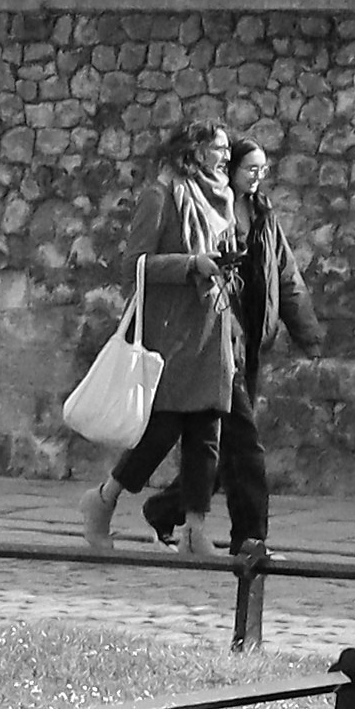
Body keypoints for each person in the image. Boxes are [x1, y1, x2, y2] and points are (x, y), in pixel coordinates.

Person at [87, 120, 243, 547]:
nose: (226, 156)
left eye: (227, 149)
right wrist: (192, 264)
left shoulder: (223, 200)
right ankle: (103, 499)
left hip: (211, 329)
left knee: (206, 432)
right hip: (171, 331)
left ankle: (194, 530)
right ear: (194, 150)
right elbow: (135, 264)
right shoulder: (160, 195)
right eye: (218, 148)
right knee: (162, 430)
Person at [205, 129, 319, 553]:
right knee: (245, 442)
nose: (257, 176)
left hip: (250, 341)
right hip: (218, 340)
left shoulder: (264, 216)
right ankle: (251, 538)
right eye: (251, 168)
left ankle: (166, 509)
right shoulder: (214, 213)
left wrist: (306, 331)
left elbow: (286, 275)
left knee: (220, 443)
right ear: (231, 168)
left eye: (263, 170)